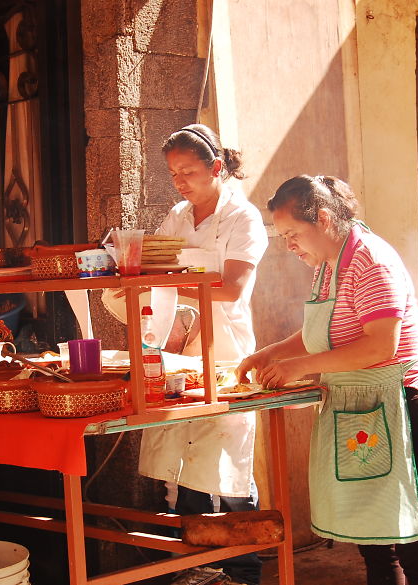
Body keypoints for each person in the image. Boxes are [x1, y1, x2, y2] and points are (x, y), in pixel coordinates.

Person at [237, 175, 418, 585]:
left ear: (322, 219)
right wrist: (272, 353)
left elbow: (380, 347)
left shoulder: (370, 259)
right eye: (282, 237)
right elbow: (328, 328)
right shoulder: (329, 263)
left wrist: (301, 367)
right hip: (365, 413)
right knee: (375, 545)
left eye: (293, 233)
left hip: (404, 408)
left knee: (416, 549)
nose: (289, 245)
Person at [124, 124, 268, 585]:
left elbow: (230, 288)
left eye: (189, 171)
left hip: (225, 356)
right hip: (178, 354)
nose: (181, 181)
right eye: (174, 173)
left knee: (228, 474)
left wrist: (165, 282)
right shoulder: (178, 217)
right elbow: (153, 264)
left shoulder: (242, 219)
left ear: (217, 168)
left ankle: (244, 575)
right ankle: (196, 574)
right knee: (183, 473)